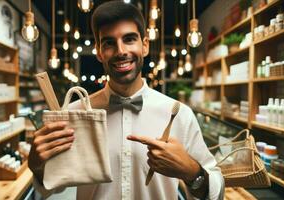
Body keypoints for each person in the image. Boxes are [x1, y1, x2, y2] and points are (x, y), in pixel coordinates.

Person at [28, 1, 224, 199]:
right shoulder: (73, 113)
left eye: (129, 39)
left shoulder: (178, 113)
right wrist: (39, 166)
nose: (121, 51)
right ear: (98, 51)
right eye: (109, 42)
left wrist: (192, 172)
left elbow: (216, 191)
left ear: (145, 45)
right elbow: (52, 187)